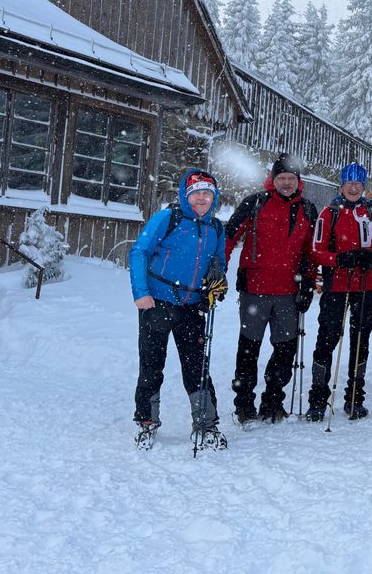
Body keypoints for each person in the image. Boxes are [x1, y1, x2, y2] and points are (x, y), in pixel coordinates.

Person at [128, 168, 229, 450]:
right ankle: (147, 423)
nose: (201, 199)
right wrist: (141, 293)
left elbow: (219, 260)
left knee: (197, 367)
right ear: (187, 197)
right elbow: (139, 252)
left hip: (192, 305)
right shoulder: (168, 218)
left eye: (207, 194)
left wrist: (218, 280)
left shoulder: (216, 228)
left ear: (214, 198)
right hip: (157, 302)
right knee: (151, 364)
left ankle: (207, 425)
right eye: (196, 194)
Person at [224, 155, 318, 425]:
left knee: (285, 351)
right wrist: (219, 270)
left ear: (299, 182)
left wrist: (309, 284)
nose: (286, 183)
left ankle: (273, 401)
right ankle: (244, 404)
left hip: (289, 292)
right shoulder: (255, 203)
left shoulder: (307, 210)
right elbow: (230, 236)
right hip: (255, 290)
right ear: (272, 180)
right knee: (248, 349)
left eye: (291, 179)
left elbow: (311, 251)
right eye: (281, 178)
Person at [304, 162, 372, 421]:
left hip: (367, 286)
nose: (353, 188)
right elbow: (317, 250)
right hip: (337, 286)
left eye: (358, 184)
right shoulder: (329, 212)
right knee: (327, 339)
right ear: (341, 186)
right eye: (348, 184)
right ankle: (317, 399)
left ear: (364, 187)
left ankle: (355, 397)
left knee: (360, 341)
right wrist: (339, 260)